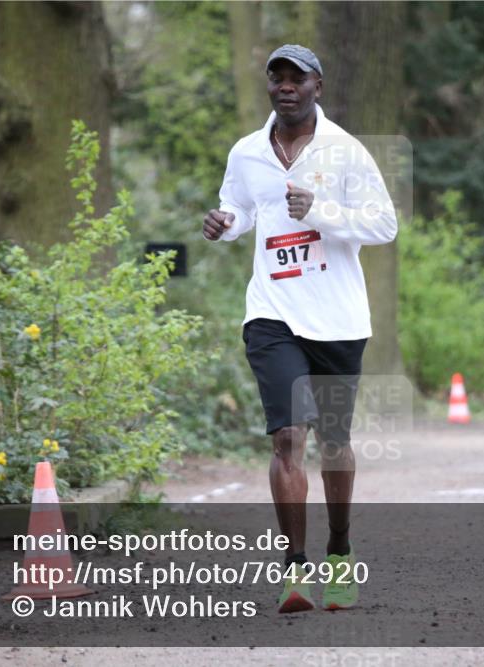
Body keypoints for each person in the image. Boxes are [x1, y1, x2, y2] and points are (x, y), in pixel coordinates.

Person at [203, 44, 397, 613]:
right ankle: (294, 570)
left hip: (337, 316)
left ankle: (339, 550)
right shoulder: (246, 152)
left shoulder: (346, 150)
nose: (286, 86)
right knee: (288, 436)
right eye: (277, 77)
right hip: (273, 311)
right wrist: (226, 222)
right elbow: (240, 207)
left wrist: (317, 210)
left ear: (318, 86)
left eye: (297, 78)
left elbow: (384, 224)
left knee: (334, 443)